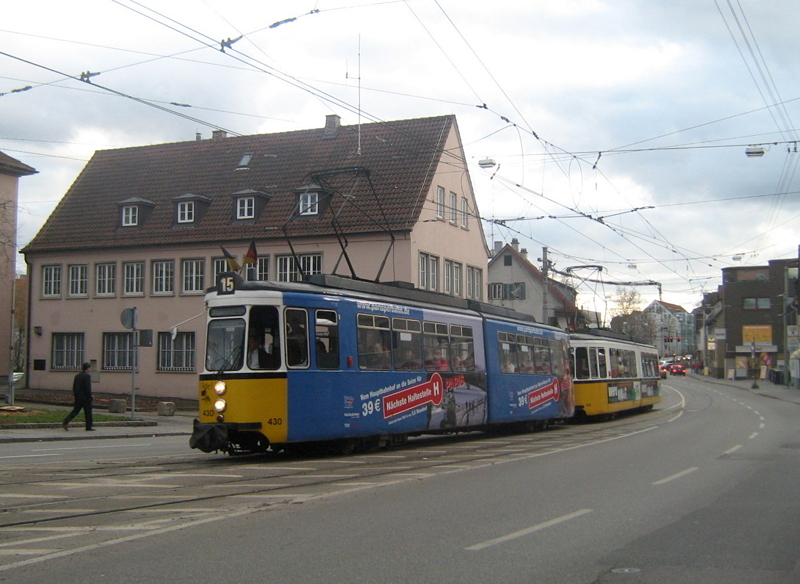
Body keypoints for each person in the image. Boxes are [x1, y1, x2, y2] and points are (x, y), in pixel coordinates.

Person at [62, 362, 94, 431]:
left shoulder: (77, 376)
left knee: (75, 411)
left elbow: (74, 387)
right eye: (89, 368)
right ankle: (88, 427)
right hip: (85, 398)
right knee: (88, 412)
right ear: (87, 368)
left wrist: (76, 395)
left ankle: (65, 422)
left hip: (78, 397)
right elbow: (88, 388)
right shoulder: (87, 376)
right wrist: (90, 396)